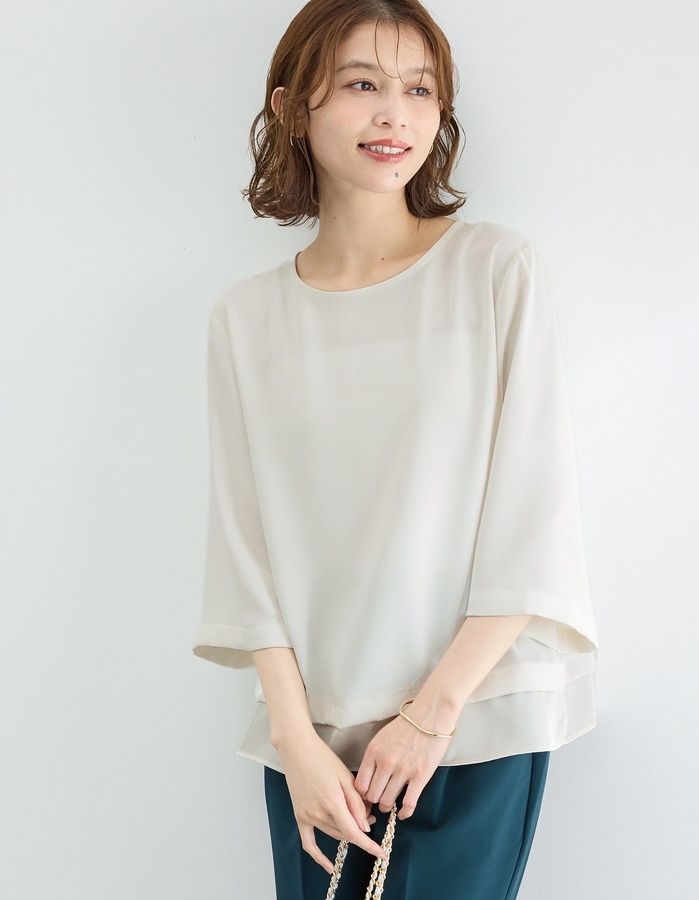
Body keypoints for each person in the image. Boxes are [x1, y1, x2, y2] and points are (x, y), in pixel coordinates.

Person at [193, 1, 598, 897]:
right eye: (361, 85)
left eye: (420, 91)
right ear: (292, 106)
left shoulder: (495, 270)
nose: (395, 115)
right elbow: (244, 546)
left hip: (474, 717)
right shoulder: (246, 319)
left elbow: (534, 517)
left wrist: (429, 716)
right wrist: (294, 740)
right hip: (314, 744)